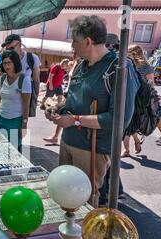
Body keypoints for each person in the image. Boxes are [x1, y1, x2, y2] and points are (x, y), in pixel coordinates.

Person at [45, 15, 140, 208]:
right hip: (69, 142)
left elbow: (118, 119)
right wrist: (56, 109)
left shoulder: (119, 68)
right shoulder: (81, 64)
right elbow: (72, 100)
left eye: (74, 41)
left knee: (83, 204)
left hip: (92, 149)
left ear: (87, 41)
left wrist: (75, 120)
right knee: (63, 198)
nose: (72, 45)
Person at [0, 49, 31, 153]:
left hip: (15, 122)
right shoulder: (2, 78)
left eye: (9, 62)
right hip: (1, 119)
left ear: (15, 62)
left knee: (12, 151)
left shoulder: (24, 80)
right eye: (4, 63)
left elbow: (26, 105)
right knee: (0, 149)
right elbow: (0, 98)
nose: (7, 66)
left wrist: (24, 124)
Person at [121, 44, 155, 157]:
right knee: (129, 124)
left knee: (127, 124)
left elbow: (151, 85)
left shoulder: (146, 67)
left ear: (134, 53)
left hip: (139, 100)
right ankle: (135, 143)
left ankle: (127, 150)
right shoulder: (128, 64)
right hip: (127, 96)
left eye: (128, 53)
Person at [43, 54, 79, 144]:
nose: (73, 53)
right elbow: (51, 75)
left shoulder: (79, 64)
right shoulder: (74, 64)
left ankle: (57, 137)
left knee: (66, 115)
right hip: (69, 94)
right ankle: (55, 137)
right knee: (62, 113)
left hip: (73, 95)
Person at [2, 34, 41, 118]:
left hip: (24, 101)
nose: (9, 51)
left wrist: (34, 98)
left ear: (19, 45)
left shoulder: (32, 58)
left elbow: (36, 80)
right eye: (7, 48)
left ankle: (22, 130)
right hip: (8, 103)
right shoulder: (6, 59)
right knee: (7, 128)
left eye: (12, 48)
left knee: (21, 128)